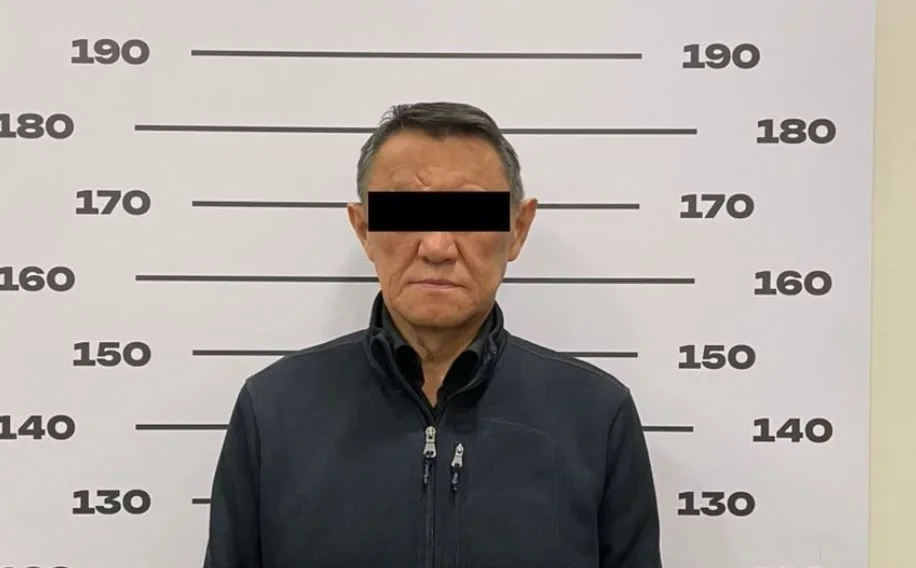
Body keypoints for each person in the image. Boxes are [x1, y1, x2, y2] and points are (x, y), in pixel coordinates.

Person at [202, 101, 663, 568]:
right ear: (363, 229)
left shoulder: (596, 416)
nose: (437, 247)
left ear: (518, 229)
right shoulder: (274, 411)